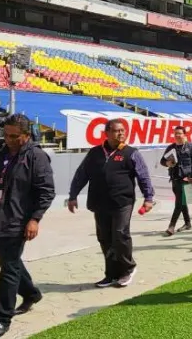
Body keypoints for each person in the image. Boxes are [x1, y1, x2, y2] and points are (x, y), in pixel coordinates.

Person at [0, 114, 54, 338]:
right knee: (11, 263)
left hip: (17, 221)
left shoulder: (36, 157)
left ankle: (2, 318)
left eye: (14, 136)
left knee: (8, 270)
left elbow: (46, 191)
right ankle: (32, 293)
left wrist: (35, 219)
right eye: (5, 135)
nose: (8, 139)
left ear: (26, 136)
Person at [68, 118, 155, 288]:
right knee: (105, 239)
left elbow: (143, 176)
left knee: (120, 233)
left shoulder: (131, 153)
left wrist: (148, 198)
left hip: (122, 201)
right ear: (107, 133)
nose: (121, 133)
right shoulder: (94, 153)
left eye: (123, 130)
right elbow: (81, 175)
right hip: (99, 203)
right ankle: (111, 274)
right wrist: (73, 195)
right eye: (117, 130)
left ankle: (128, 268)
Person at [159, 126, 192, 236]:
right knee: (182, 202)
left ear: (185, 134)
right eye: (175, 133)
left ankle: (171, 226)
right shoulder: (171, 147)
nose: (177, 135)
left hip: (186, 179)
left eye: (179, 133)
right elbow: (162, 161)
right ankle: (188, 223)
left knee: (179, 203)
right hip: (175, 178)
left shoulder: (191, 147)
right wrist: (167, 163)